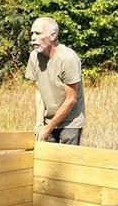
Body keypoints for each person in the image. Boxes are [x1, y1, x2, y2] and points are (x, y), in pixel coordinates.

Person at [25, 17, 86, 145]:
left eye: (38, 33)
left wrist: (48, 128)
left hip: (70, 122)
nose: (33, 37)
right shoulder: (34, 57)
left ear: (53, 35)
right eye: (31, 33)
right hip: (48, 120)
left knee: (66, 162)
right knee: (47, 161)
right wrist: (39, 123)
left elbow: (71, 99)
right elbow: (39, 92)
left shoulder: (68, 59)